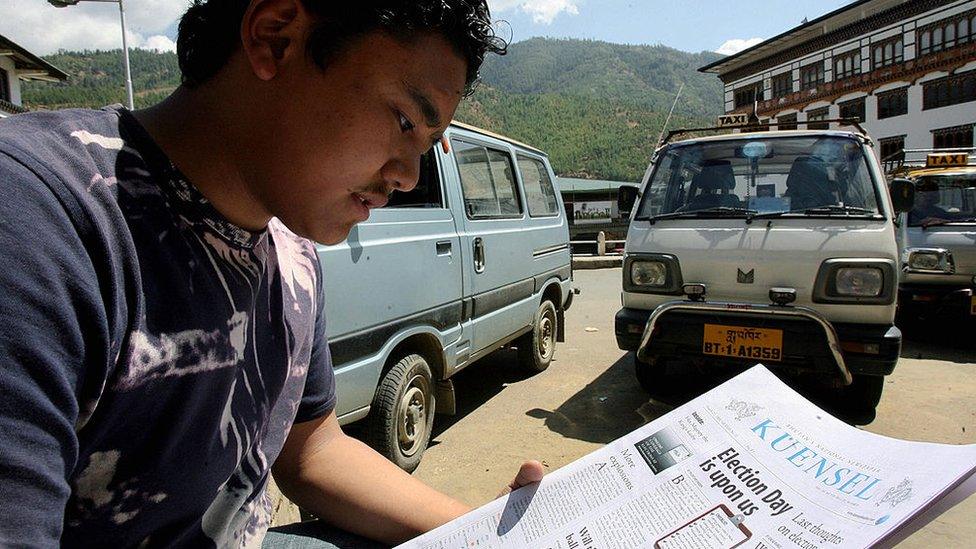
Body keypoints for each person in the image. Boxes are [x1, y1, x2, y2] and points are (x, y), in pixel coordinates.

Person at [0, 1, 544, 547]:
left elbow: (314, 452)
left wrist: (479, 535)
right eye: (404, 121)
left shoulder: (293, 258)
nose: (407, 176)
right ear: (275, 38)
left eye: (426, 145)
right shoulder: (39, 220)